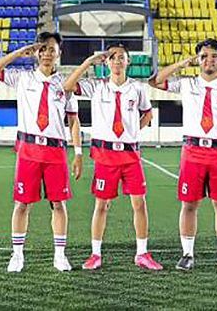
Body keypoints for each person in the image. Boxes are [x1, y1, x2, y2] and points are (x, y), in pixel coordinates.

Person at [0, 32, 82, 273]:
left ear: (59, 53)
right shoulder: (23, 78)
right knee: (22, 204)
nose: (47, 53)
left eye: (52, 49)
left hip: (55, 151)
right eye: (43, 49)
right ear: (36, 52)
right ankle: (17, 255)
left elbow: (74, 121)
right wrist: (19, 52)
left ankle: (60, 255)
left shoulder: (67, 84)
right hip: (28, 149)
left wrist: (78, 152)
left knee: (59, 204)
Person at [62, 43, 162, 271]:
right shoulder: (96, 87)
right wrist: (88, 62)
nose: (117, 61)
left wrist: (135, 129)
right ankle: (95, 254)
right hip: (105, 154)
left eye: (121, 58)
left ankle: (142, 253)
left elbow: (148, 112)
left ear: (129, 62)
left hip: (130, 154)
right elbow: (68, 85)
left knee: (139, 203)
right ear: (106, 62)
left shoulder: (136, 89)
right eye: (113, 57)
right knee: (102, 205)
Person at [149, 38, 217, 271]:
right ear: (198, 60)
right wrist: (183, 63)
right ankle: (187, 254)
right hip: (192, 150)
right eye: (204, 56)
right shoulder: (186, 84)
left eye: (214, 56)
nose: (209, 60)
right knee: (189, 204)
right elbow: (155, 81)